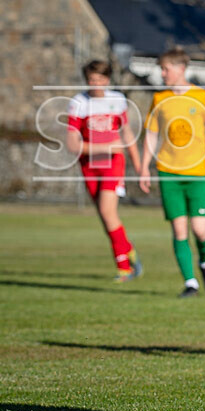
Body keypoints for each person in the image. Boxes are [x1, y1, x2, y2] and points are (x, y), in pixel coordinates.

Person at [139, 47, 205, 298]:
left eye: (166, 69)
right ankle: (191, 283)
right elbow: (152, 135)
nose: (163, 74)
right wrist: (144, 167)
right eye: (161, 69)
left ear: (181, 69)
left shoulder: (200, 96)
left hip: (197, 173)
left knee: (200, 230)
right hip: (168, 173)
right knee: (179, 230)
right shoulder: (159, 98)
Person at [67, 60, 142, 282]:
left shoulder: (117, 101)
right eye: (92, 80)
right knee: (105, 216)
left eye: (100, 80)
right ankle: (128, 248)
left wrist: (139, 166)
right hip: (89, 165)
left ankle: (124, 268)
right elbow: (73, 145)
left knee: (108, 212)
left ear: (107, 80)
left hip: (113, 164)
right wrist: (104, 146)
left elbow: (127, 135)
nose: (96, 84)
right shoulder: (78, 103)